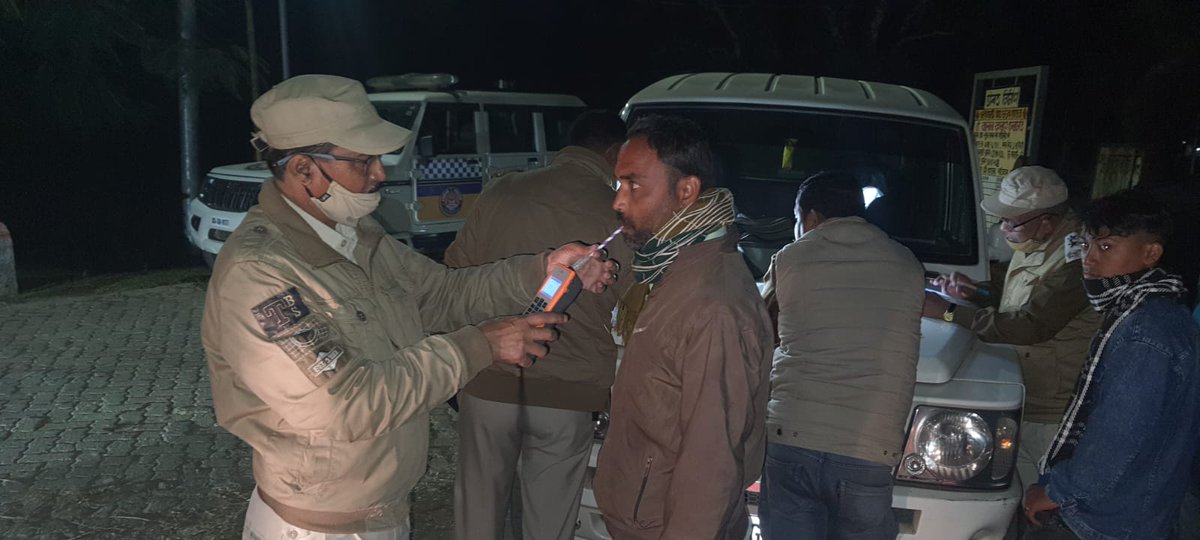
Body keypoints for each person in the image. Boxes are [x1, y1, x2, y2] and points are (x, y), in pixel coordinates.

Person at [201, 74, 616, 540]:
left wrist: (540, 269)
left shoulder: (356, 236)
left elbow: (443, 295)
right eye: (363, 161)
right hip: (319, 526)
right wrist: (478, 346)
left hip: (381, 510)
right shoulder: (262, 275)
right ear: (303, 170)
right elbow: (349, 404)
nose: (380, 173)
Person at [443, 111, 631, 540]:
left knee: (478, 511)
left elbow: (452, 275)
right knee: (548, 520)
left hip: (488, 374)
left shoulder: (503, 190)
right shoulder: (617, 211)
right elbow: (636, 301)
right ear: (615, 154)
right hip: (566, 391)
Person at [591, 114, 773, 540]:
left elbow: (711, 460)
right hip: (649, 512)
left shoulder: (713, 305)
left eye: (633, 185)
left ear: (686, 191)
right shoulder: (673, 270)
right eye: (617, 184)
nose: (618, 202)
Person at [1022, 189, 1200, 539]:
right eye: (1086, 245)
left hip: (1105, 517)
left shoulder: (1143, 330)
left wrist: (1058, 491)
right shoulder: (1158, 312)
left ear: (1150, 253)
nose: (1090, 258)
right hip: (1138, 509)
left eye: (1106, 247)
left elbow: (1118, 433)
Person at [757, 171, 925, 539]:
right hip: (869, 449)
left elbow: (760, 336)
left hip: (792, 437)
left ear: (811, 217)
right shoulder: (907, 264)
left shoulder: (790, 259)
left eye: (798, 220)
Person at [924, 166, 1100, 489]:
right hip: (1022, 386)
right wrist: (974, 292)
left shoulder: (1076, 260)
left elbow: (1031, 325)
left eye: (1011, 221)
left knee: (1032, 490)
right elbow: (1014, 295)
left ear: (1046, 220)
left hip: (1047, 407)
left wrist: (948, 311)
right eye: (1002, 219)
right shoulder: (1037, 238)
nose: (1003, 228)